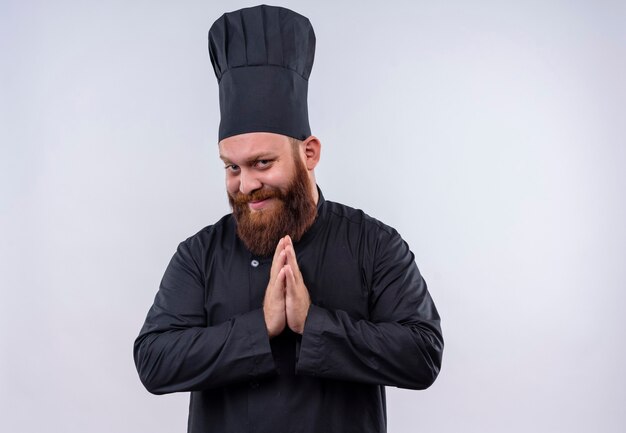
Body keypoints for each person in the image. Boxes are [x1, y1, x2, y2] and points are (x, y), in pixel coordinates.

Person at [134, 5, 443, 433]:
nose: (245, 185)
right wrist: (259, 328)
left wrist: (311, 323)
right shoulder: (199, 254)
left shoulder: (374, 244)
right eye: (232, 167)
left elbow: (423, 354)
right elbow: (153, 360)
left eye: (262, 162)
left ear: (309, 153)